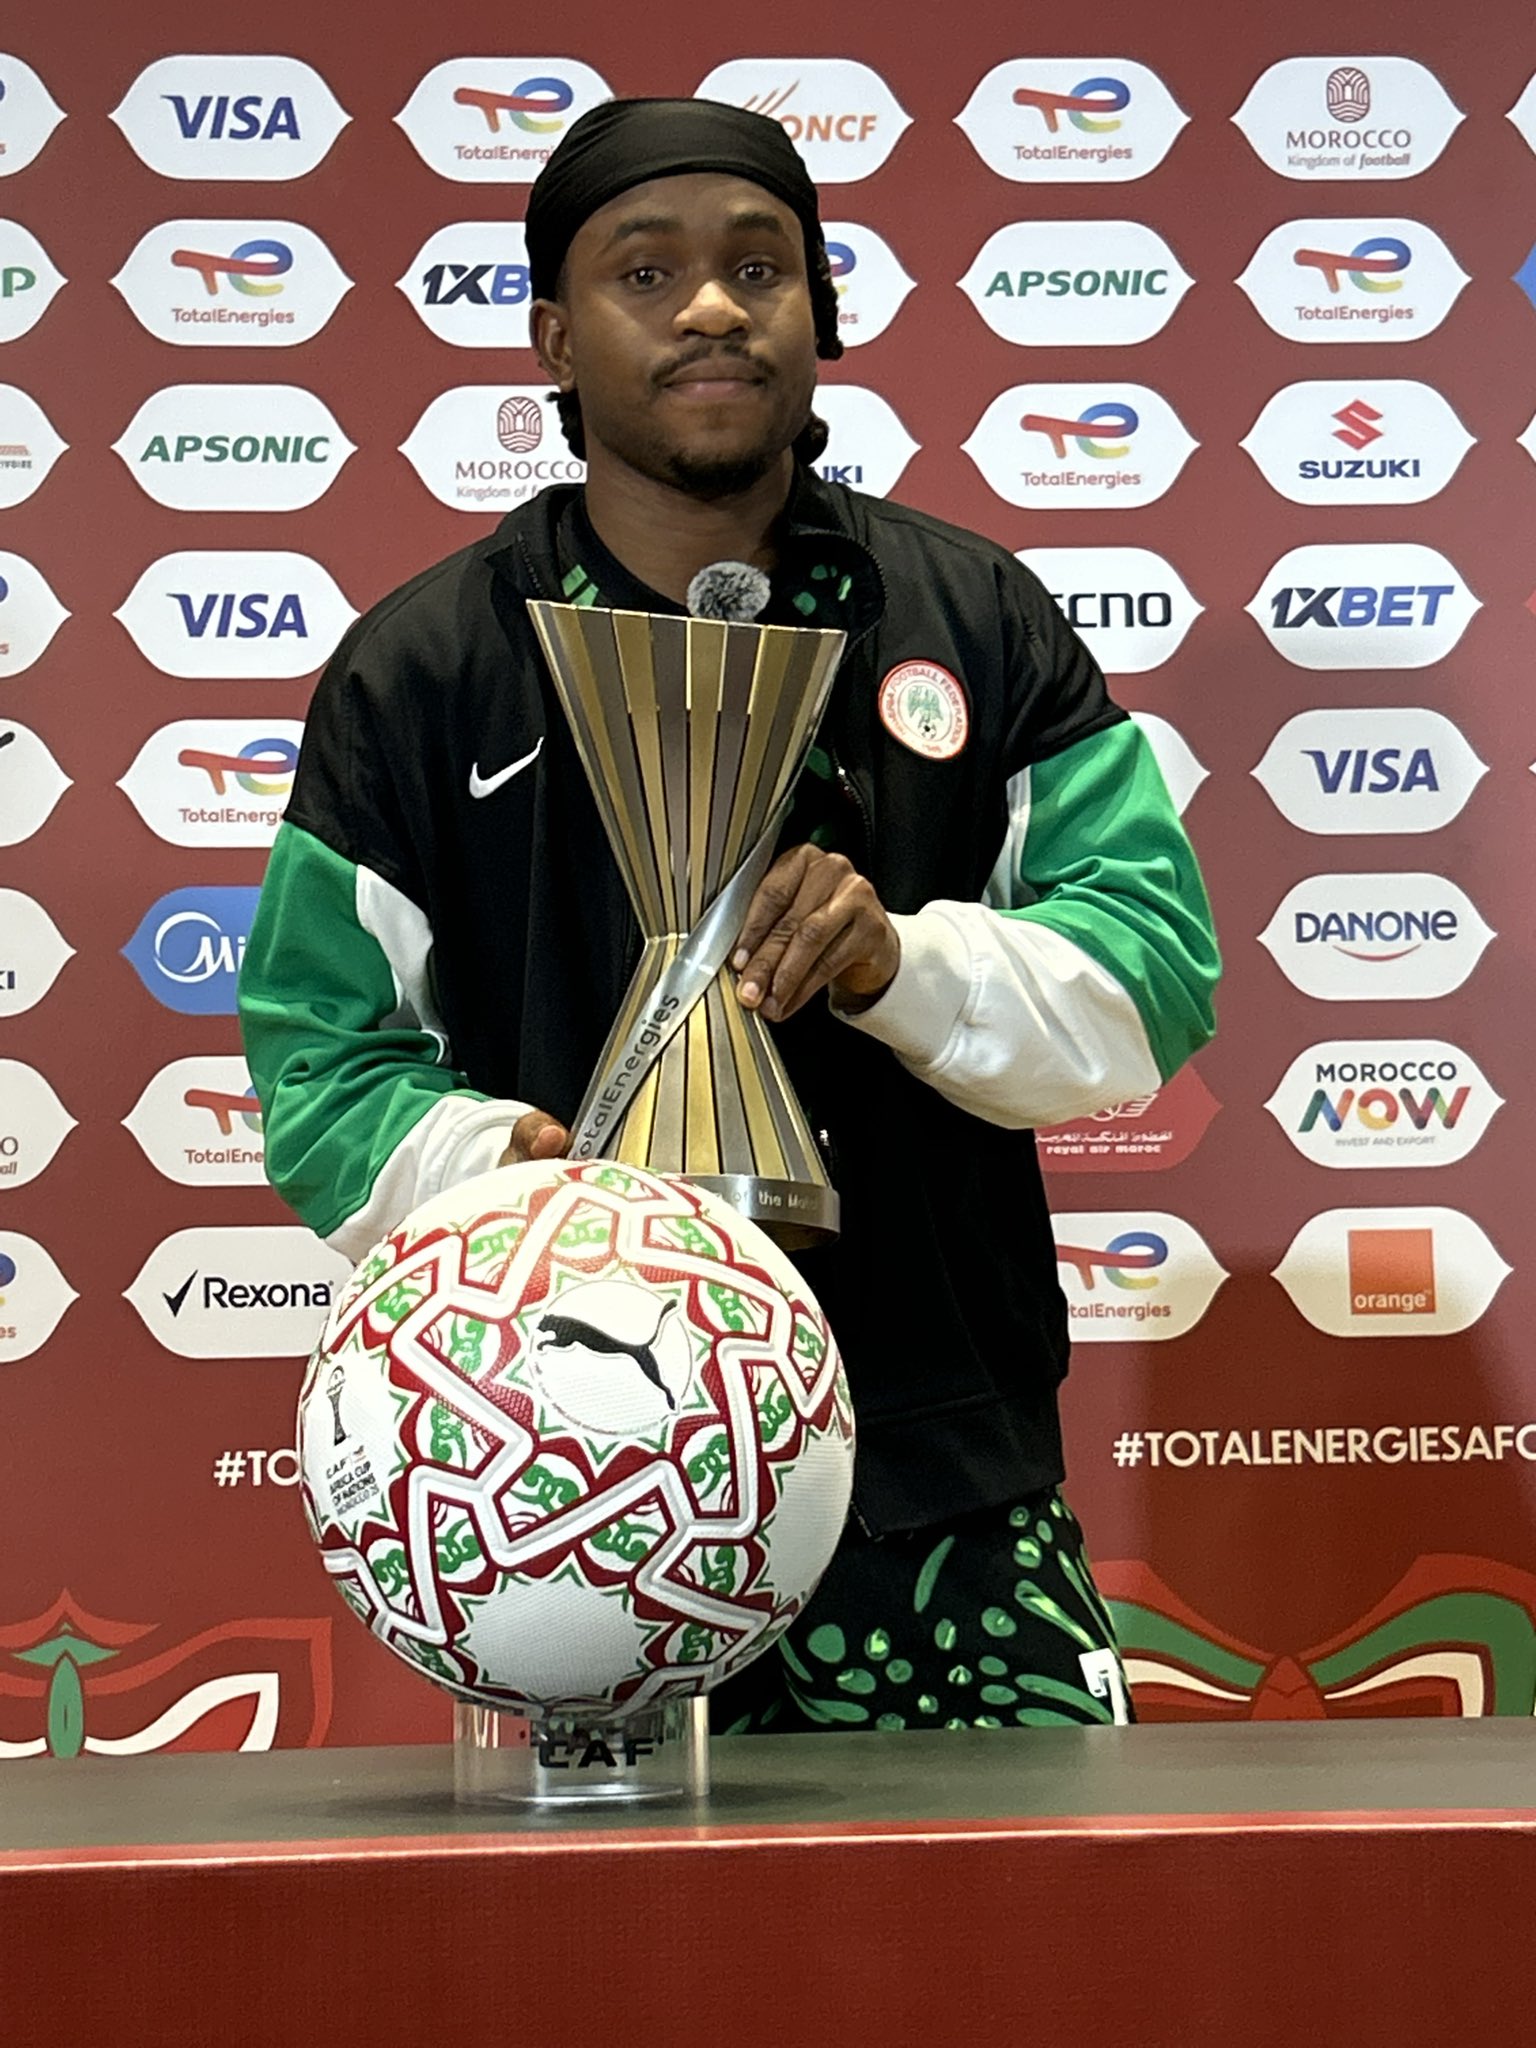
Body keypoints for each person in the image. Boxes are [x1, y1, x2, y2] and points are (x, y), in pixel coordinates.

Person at [239, 97, 1219, 1736]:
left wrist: (897, 961)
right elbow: (320, 1069)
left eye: (761, 267)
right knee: (623, 1989)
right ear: (555, 335)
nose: (711, 307)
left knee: (1023, 1967)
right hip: (564, 1504)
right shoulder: (422, 672)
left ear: (820, 314)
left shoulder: (972, 618)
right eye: (647, 270)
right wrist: (528, 1185)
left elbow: (1154, 978)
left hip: (941, 1477)